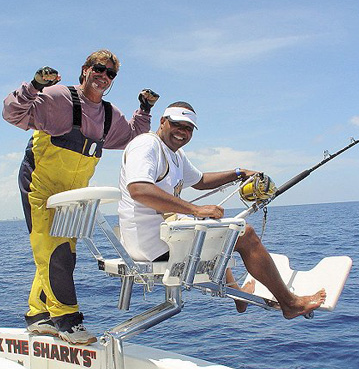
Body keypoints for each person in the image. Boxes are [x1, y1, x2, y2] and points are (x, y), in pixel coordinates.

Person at [3, 49, 159, 344]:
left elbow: (133, 138)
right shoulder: (58, 97)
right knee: (56, 253)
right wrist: (34, 86)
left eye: (110, 74)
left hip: (72, 198)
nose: (104, 77)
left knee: (59, 252)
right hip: (41, 189)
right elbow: (13, 112)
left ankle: (38, 316)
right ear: (85, 69)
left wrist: (144, 109)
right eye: (99, 69)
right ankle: (68, 321)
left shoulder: (110, 116)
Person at [118, 102, 326, 319]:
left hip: (160, 237)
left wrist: (239, 173)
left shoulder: (176, 154)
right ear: (163, 122)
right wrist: (195, 209)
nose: (182, 132)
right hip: (153, 244)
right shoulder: (146, 145)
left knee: (217, 227)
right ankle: (290, 304)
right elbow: (139, 190)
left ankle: (237, 294)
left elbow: (201, 180)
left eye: (188, 128)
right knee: (245, 234)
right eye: (177, 124)